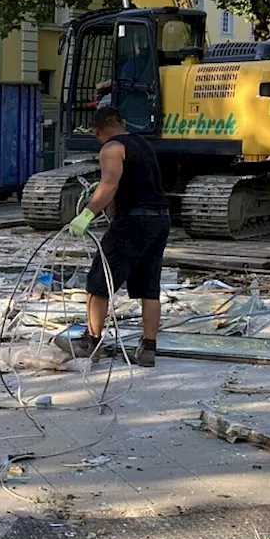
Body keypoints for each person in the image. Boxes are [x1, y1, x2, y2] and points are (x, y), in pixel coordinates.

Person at [68, 106, 170, 367]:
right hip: (159, 219)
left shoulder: (111, 148)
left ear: (97, 130)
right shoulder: (143, 145)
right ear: (122, 122)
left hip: (133, 220)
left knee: (99, 280)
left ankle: (91, 341)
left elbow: (109, 185)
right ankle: (148, 348)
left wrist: (87, 214)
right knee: (149, 286)